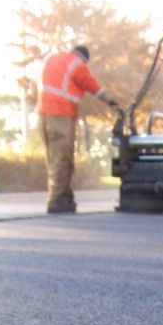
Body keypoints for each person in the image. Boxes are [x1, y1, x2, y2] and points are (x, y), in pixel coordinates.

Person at [38, 46, 121, 214]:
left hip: (43, 114)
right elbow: (91, 85)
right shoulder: (77, 64)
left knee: (53, 160)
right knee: (63, 159)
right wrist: (111, 102)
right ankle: (56, 201)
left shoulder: (52, 58)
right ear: (84, 59)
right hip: (61, 114)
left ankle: (65, 197)